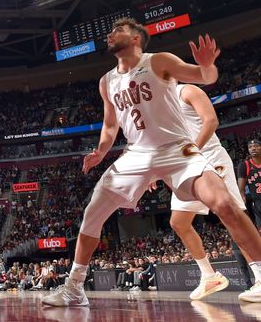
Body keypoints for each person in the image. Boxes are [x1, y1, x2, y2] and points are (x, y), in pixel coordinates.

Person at [43, 19, 261, 307]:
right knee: (92, 214)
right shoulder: (106, 81)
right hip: (137, 154)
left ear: (136, 39)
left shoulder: (158, 61)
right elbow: (110, 126)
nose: (110, 35)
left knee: (224, 203)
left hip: (176, 149)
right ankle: (74, 288)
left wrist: (207, 65)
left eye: (117, 31)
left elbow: (203, 77)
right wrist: (100, 151)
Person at [160, 83, 248, 300]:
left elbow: (211, 121)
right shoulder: (160, 107)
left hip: (211, 158)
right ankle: (209, 275)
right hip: (187, 167)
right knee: (178, 222)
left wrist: (192, 151)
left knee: (233, 216)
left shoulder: (187, 91)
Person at [238, 139, 261, 226]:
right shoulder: (244, 166)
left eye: (256, 146)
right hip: (257, 203)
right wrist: (244, 208)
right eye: (250, 147)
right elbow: (241, 191)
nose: (253, 148)